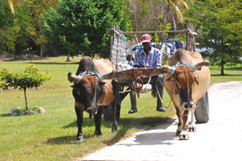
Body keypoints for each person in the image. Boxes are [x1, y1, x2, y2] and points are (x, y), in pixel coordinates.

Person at [129, 34, 165, 113]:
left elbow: (158, 65)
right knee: (131, 82)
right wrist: (136, 68)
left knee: (161, 78)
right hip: (140, 75)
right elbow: (136, 64)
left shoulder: (157, 52)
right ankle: (133, 107)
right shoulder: (137, 52)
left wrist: (156, 69)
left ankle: (159, 106)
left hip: (153, 75)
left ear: (151, 42)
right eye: (143, 43)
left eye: (147, 43)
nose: (145, 45)